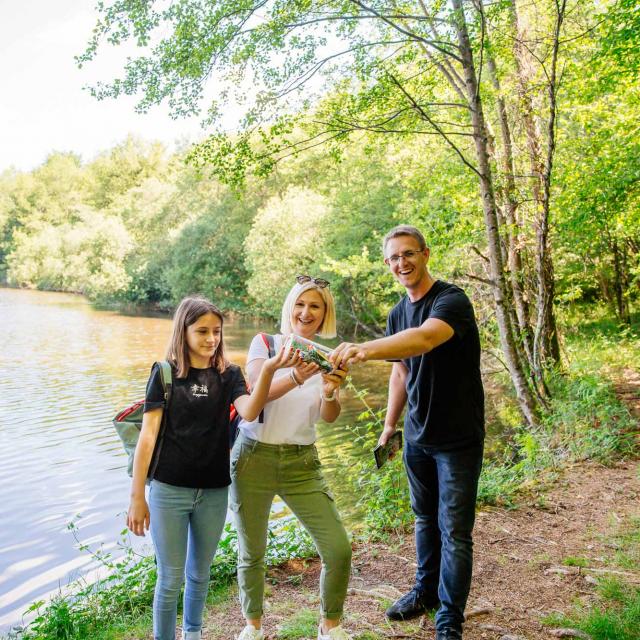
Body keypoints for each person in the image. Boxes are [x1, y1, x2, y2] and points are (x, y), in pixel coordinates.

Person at [331, 226, 484, 640]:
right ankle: (424, 592)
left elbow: (424, 339)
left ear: (425, 254)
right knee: (423, 520)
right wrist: (388, 426)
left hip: (457, 439)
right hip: (418, 436)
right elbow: (401, 369)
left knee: (454, 530)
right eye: (394, 258)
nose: (402, 263)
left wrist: (364, 348)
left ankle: (449, 618)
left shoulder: (450, 300)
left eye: (408, 254)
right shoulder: (398, 312)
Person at [127, 296, 297, 640]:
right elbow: (147, 439)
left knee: (200, 574)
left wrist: (267, 370)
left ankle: (193, 633)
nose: (211, 339)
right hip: (168, 490)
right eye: (202, 331)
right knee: (170, 577)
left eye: (216, 331)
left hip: (215, 491)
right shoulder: (164, 373)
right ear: (183, 331)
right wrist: (137, 497)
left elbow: (249, 411)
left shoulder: (230, 374)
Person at [231, 275, 353, 640]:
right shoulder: (265, 344)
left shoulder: (326, 357)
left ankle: (329, 626)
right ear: (290, 308)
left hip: (302, 463)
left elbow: (328, 416)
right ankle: (252, 626)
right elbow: (254, 393)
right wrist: (298, 377)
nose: (306, 312)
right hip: (253, 458)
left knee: (338, 548)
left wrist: (331, 391)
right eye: (300, 304)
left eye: (315, 306)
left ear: (324, 313)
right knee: (252, 551)